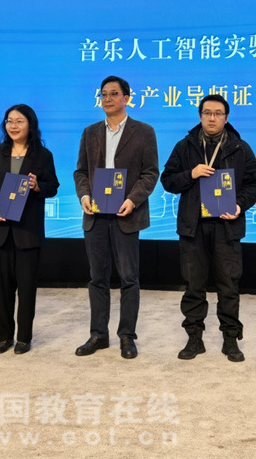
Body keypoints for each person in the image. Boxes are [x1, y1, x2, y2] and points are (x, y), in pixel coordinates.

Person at [161, 94, 256, 362]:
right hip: (193, 227)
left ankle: (230, 339)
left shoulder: (240, 148)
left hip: (226, 226)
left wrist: (240, 205)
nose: (212, 118)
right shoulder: (185, 146)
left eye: (218, 113)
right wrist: (190, 174)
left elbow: (255, 183)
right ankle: (194, 338)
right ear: (200, 116)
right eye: (207, 113)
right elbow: (167, 180)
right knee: (194, 285)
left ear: (226, 118)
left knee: (228, 285)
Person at [73, 75, 159, 360]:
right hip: (96, 214)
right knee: (97, 278)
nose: (107, 99)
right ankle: (98, 334)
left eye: (113, 94)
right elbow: (81, 172)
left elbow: (150, 173)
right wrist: (84, 196)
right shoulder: (90, 132)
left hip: (126, 213)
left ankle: (127, 336)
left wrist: (132, 200)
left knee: (129, 278)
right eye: (104, 94)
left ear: (126, 98)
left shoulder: (143, 131)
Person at [0, 104, 59, 355]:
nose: (13, 126)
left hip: (28, 231)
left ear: (30, 124)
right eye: (9, 121)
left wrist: (37, 186)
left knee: (26, 288)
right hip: (0, 230)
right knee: (3, 289)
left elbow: (53, 186)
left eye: (19, 121)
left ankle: (24, 338)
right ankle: (4, 337)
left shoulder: (43, 155)